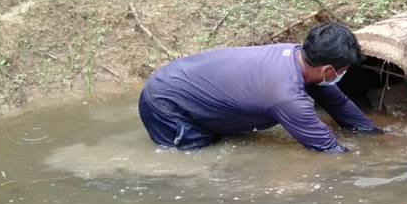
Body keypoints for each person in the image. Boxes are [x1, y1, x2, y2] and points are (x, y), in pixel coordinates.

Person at [138, 22, 381, 152]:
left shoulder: (297, 57)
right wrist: (365, 162)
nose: (342, 75)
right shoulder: (286, 96)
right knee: (200, 158)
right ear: (328, 71)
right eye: (342, 70)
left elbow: (338, 103)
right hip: (165, 102)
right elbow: (327, 148)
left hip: (180, 79)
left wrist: (376, 136)